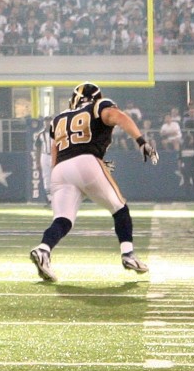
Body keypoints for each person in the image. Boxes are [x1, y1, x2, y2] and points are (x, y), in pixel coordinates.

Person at [30, 84, 157, 282]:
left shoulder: (58, 119)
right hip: (87, 162)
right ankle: (128, 254)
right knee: (119, 208)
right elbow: (119, 117)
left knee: (63, 220)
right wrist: (141, 141)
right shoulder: (99, 106)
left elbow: (56, 155)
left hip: (60, 170)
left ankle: (44, 249)